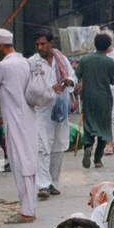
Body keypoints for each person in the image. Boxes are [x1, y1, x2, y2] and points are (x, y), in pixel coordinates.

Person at [0, 27, 38, 223]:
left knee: (19, 163)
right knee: (29, 162)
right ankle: (30, 206)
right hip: (29, 118)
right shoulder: (25, 62)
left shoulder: (4, 66)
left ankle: (27, 211)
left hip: (14, 120)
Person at [29, 30, 75, 197]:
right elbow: (31, 88)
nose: (40, 47)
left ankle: (54, 182)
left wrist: (69, 81)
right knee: (42, 147)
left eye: (43, 44)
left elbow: (72, 76)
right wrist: (50, 89)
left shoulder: (60, 59)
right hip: (42, 111)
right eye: (38, 44)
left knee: (58, 147)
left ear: (51, 43)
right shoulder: (33, 62)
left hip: (60, 109)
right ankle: (43, 185)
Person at [74, 32, 114, 169]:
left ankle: (88, 146)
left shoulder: (85, 59)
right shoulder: (109, 61)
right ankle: (98, 160)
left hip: (88, 97)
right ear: (108, 46)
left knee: (88, 124)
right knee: (104, 129)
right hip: (104, 98)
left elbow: (76, 75)